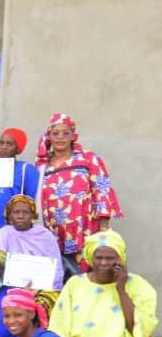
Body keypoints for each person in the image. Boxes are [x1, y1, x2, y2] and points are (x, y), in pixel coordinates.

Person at [35, 113, 122, 275]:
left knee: (87, 275)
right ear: (49, 136)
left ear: (73, 136)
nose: (60, 137)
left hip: (85, 230)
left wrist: (103, 226)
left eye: (65, 133)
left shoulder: (88, 158)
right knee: (57, 277)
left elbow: (102, 188)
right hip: (53, 233)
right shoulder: (42, 165)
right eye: (55, 133)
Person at [0, 195, 63, 290]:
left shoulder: (46, 236)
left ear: (33, 215)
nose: (20, 216)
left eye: (26, 212)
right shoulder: (2, 235)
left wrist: (41, 288)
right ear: (9, 216)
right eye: (16, 212)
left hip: (42, 289)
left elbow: (56, 269)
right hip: (9, 288)